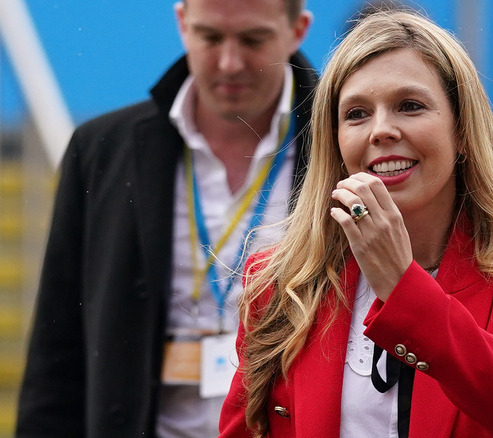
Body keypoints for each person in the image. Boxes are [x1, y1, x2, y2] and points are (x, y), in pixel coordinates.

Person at [219, 8, 493, 438]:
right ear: (336, 142)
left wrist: (403, 288)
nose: (381, 130)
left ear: (461, 131)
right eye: (357, 114)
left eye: (410, 106)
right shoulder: (280, 281)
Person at [16, 0, 316, 436]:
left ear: (298, 30)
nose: (230, 63)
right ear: (182, 23)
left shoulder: (344, 140)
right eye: (210, 37)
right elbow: (57, 352)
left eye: (253, 39)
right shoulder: (102, 150)